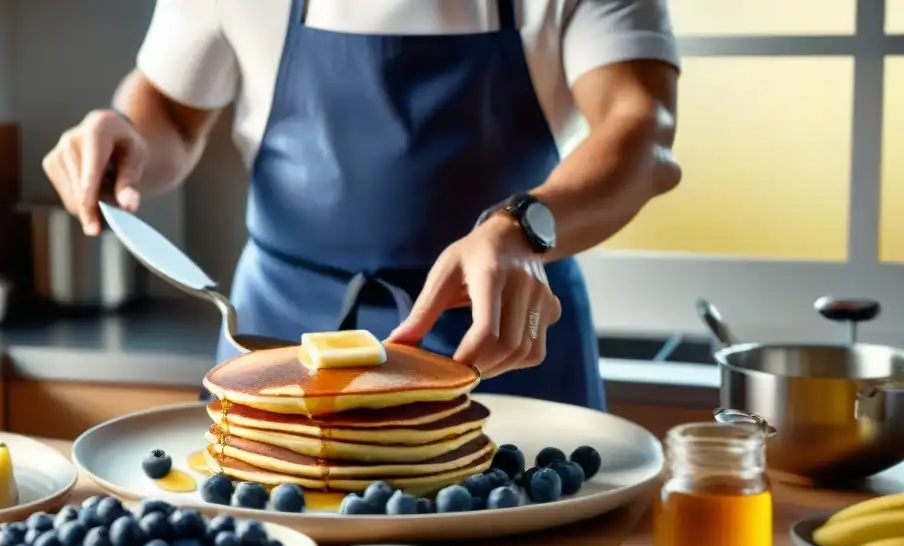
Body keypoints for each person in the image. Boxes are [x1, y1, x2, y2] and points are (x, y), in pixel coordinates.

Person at [43, 0, 681, 409]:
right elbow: (171, 117)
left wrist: (521, 229)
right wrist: (124, 135)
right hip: (278, 344)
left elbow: (639, 131)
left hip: (507, 348)